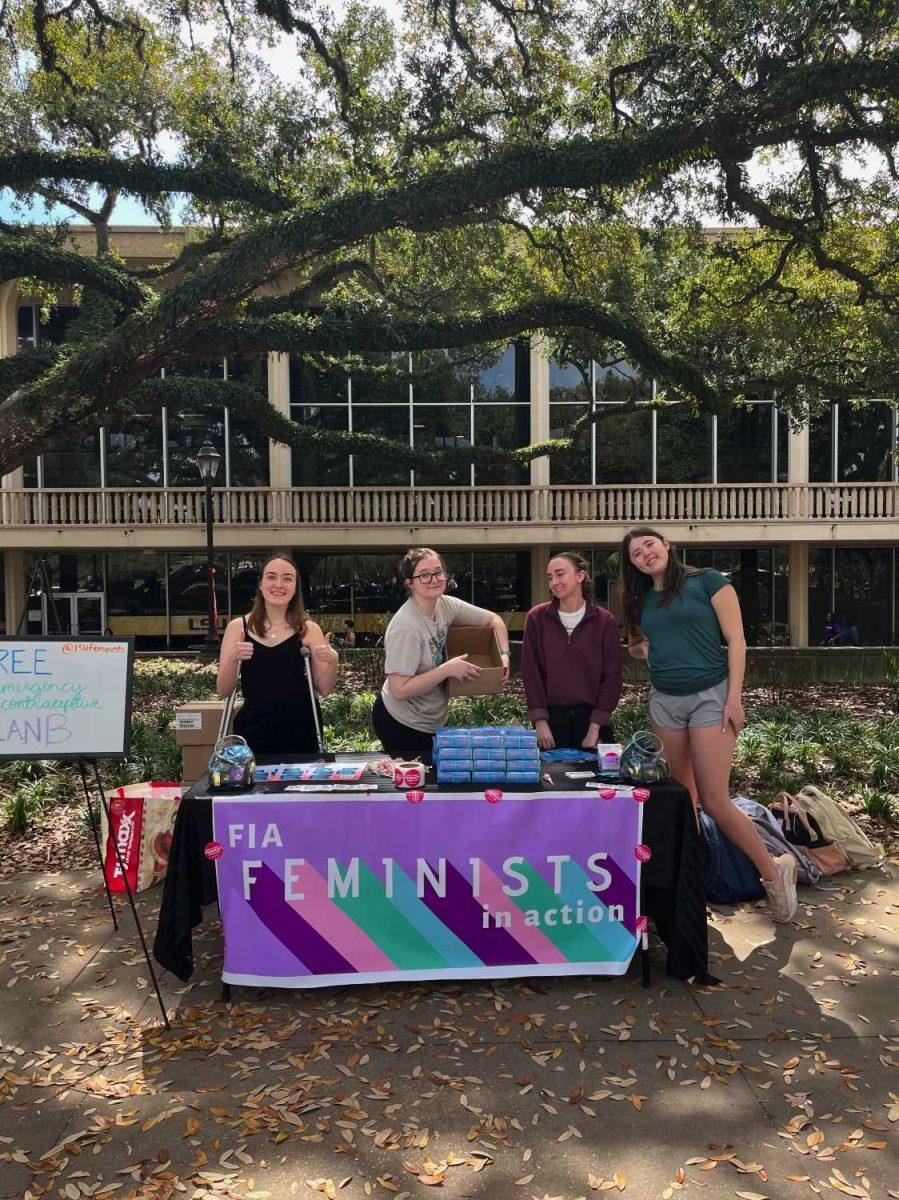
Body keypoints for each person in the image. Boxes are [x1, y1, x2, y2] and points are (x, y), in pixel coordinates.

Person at [620, 526, 798, 923]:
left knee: (716, 801)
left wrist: (734, 698)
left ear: (666, 545)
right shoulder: (639, 598)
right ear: (632, 563)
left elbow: (737, 641)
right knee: (685, 802)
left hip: (711, 697)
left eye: (650, 544)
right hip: (665, 701)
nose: (645, 554)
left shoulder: (709, 581)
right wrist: (642, 648)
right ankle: (697, 884)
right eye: (636, 553)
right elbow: (634, 644)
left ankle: (773, 873)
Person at [372, 547, 511, 764]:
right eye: (424, 575)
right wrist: (446, 670)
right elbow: (399, 690)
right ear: (410, 583)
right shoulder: (406, 627)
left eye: (438, 572)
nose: (433, 579)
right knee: (417, 784)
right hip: (401, 722)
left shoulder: (446, 605)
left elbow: (494, 620)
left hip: (432, 719)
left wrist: (504, 655)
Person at [217, 554, 339, 757]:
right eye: (271, 577)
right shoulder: (238, 628)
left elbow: (325, 689)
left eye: (287, 578)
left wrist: (333, 661)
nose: (278, 585)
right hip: (254, 731)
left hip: (301, 731)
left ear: (295, 587)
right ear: (261, 584)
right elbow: (223, 689)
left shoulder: (308, 629)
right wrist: (233, 658)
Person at [521, 551, 622, 751]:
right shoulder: (536, 618)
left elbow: (612, 679)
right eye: (550, 577)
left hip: (593, 723)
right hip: (551, 722)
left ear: (580, 576)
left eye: (560, 574)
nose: (554, 582)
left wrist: (595, 728)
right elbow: (531, 674)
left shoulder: (604, 621)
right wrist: (540, 722)